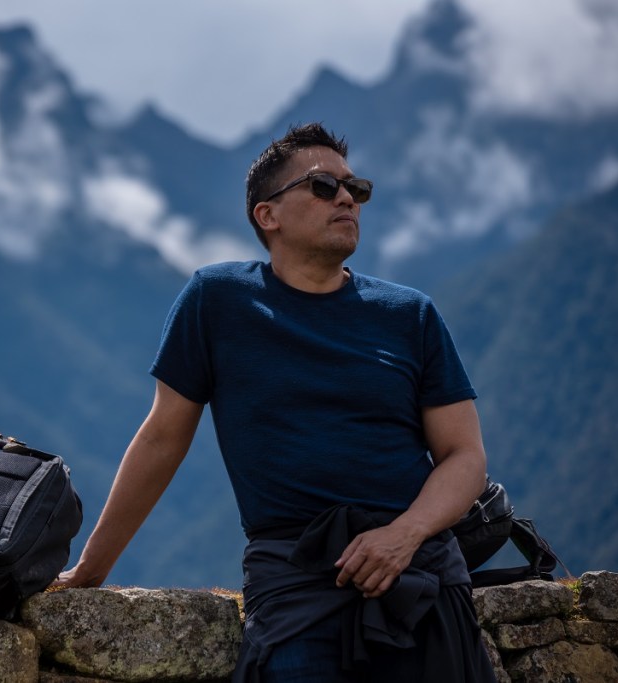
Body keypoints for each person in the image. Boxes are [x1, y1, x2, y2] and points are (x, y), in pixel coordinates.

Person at [54, 122, 497, 682]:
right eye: (322, 185)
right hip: (296, 586)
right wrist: (92, 568)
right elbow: (163, 436)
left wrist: (404, 534)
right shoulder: (217, 301)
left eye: (354, 188)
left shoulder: (411, 315)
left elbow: (465, 456)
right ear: (268, 215)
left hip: (420, 578)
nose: (346, 198)